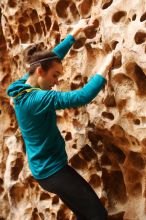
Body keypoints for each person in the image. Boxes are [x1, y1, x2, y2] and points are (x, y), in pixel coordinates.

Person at [6, 19, 114, 220]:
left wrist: (75, 33)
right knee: (98, 214)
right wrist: (104, 69)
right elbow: (81, 97)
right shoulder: (38, 98)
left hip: (45, 171)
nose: (56, 82)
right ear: (40, 72)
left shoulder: (22, 85)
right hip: (54, 172)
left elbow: (52, 59)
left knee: (85, 214)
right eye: (55, 76)